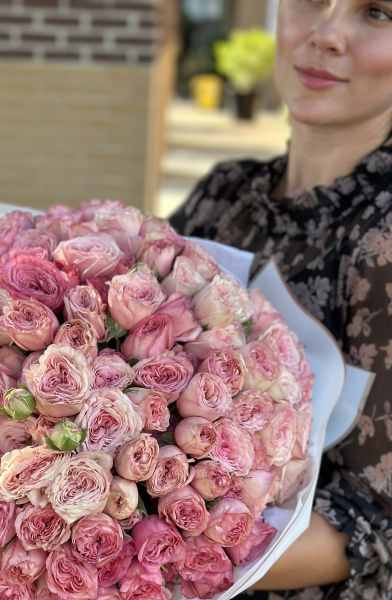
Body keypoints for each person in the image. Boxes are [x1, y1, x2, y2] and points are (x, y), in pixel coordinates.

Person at [169, 1, 392, 598]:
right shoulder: (224, 195)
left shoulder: (383, 237)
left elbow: (374, 525)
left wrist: (133, 566)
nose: (326, 34)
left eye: (377, 12)